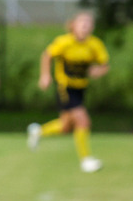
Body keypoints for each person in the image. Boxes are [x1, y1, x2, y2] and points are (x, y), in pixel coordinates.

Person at [26, 12, 109, 173]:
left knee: (65, 127)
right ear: (73, 25)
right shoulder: (64, 42)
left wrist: (98, 71)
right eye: (82, 22)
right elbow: (47, 55)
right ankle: (86, 160)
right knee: (83, 121)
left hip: (81, 88)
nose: (85, 26)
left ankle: (38, 131)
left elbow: (104, 65)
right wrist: (45, 75)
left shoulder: (94, 44)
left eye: (88, 23)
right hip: (65, 87)